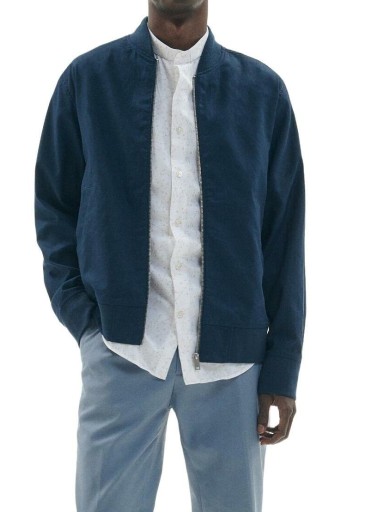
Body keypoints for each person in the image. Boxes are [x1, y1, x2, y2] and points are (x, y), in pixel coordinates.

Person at [34, 1, 306, 510]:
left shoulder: (262, 92)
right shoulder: (87, 81)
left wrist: (283, 367)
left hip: (233, 364)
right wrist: (87, 324)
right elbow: (54, 207)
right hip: (122, 350)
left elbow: (284, 238)